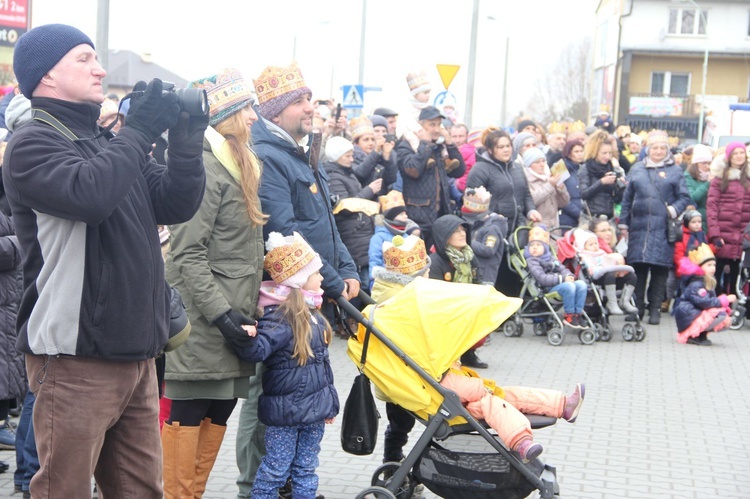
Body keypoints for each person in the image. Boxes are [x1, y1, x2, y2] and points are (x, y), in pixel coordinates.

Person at [3, 24, 207, 498]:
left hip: (136, 350)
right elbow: (92, 195)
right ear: (45, 77)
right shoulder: (31, 144)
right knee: (64, 489)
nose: (99, 69)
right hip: (75, 357)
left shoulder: (105, 141)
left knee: (140, 491)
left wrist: (186, 137)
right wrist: (137, 130)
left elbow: (175, 203)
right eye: (83, 59)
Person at [161, 68, 263, 498]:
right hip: (201, 326)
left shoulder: (235, 162)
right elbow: (186, 254)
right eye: (247, 108)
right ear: (226, 114)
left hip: (229, 327)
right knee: (186, 425)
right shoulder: (205, 165)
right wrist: (222, 315)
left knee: (217, 415)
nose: (256, 117)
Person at [218, 232, 339, 499]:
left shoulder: (314, 316)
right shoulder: (280, 319)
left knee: (306, 469)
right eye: (316, 273)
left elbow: (324, 369)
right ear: (299, 279)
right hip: (284, 416)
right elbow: (258, 350)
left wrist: (328, 405)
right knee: (275, 469)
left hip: (313, 414)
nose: (321, 278)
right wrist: (242, 334)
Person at [252, 62, 360, 305]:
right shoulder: (267, 158)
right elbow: (285, 232)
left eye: (309, 99)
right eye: (298, 102)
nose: (310, 108)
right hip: (296, 298)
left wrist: (347, 269)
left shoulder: (303, 152)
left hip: (319, 286)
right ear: (275, 114)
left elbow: (326, 222)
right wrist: (333, 282)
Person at [440, 363, 584, 462]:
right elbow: (457, 387)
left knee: (512, 394)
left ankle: (564, 406)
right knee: (495, 406)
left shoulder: (441, 362)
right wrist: (482, 387)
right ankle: (521, 443)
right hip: (459, 408)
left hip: (466, 398)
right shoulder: (435, 369)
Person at [619, 130, 692, 325]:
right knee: (638, 269)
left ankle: (655, 309)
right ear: (647, 149)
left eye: (662, 148)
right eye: (655, 147)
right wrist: (624, 223)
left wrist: (673, 210)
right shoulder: (637, 169)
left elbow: (684, 197)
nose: (658, 151)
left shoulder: (675, 170)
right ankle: (638, 308)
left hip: (663, 226)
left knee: (660, 270)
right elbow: (627, 199)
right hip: (639, 226)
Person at [466, 127, 541, 297]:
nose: (506, 150)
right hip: (492, 230)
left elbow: (526, 195)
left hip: (516, 229)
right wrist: (490, 216)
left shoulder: (517, 167)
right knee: (495, 273)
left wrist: (531, 211)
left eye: (508, 145)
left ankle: (511, 314)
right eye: (501, 147)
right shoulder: (480, 169)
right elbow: (470, 203)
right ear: (491, 150)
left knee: (514, 272)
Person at [396, 105, 465, 248]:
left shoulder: (439, 147)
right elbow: (413, 170)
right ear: (420, 126)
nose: (436, 129)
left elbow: (459, 171)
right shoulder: (406, 146)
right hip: (417, 216)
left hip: (440, 215)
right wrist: (425, 143)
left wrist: (450, 144)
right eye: (431, 124)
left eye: (439, 124)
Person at [428, 215, 487, 368]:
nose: (462, 234)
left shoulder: (469, 256)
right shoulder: (435, 261)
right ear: (444, 236)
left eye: (463, 230)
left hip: (467, 304)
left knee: (484, 319)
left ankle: (468, 353)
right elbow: (433, 296)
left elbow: (478, 282)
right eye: (456, 231)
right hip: (445, 310)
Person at [324, 136, 380, 290]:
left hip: (362, 232)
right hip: (352, 235)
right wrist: (369, 190)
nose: (351, 159)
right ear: (336, 157)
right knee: (362, 283)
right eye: (347, 156)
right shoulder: (333, 177)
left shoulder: (348, 173)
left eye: (351, 155)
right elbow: (343, 206)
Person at [706, 142, 750, 295]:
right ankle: (718, 307)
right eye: (735, 153)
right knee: (717, 274)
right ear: (729, 156)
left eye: (741, 153)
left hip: (744, 235)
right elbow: (712, 207)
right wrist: (715, 234)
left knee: (739, 276)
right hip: (723, 233)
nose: (739, 156)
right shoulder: (719, 179)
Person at [525, 226, 587, 328]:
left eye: (538, 245)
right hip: (546, 288)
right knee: (569, 287)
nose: (534, 247)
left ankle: (578, 313)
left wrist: (568, 275)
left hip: (559, 282)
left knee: (581, 284)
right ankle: (569, 315)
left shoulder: (551, 258)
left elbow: (562, 269)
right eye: (532, 245)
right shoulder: (532, 261)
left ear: (545, 247)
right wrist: (562, 279)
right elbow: (542, 278)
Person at [674, 244, 734, 345]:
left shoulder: (705, 281)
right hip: (688, 316)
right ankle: (694, 335)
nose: (713, 268)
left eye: (714, 265)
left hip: (693, 314)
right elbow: (704, 302)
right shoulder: (697, 284)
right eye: (709, 265)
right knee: (718, 314)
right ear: (699, 267)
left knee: (722, 314)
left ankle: (701, 334)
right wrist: (724, 300)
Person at [573, 229, 638, 315]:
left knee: (631, 276)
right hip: (597, 279)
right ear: (583, 246)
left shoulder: (602, 253)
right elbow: (591, 271)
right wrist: (603, 268)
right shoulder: (585, 257)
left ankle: (625, 301)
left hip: (611, 278)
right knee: (609, 275)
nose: (595, 246)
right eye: (591, 244)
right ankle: (612, 303)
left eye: (596, 243)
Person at [460, 186, 508, 286]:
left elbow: (489, 250)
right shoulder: (477, 225)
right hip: (473, 273)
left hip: (485, 277)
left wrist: (467, 241)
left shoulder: (491, 229)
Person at [578, 130, 625, 220]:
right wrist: (602, 182)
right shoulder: (586, 168)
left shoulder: (611, 167)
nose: (607, 157)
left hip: (609, 217)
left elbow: (616, 199)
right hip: (591, 217)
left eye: (610, 153)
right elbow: (584, 194)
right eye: (604, 153)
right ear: (595, 152)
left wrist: (621, 188)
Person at [349, 116, 397, 196]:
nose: (371, 143)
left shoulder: (378, 156)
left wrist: (386, 157)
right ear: (356, 143)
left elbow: (391, 179)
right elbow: (361, 173)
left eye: (373, 139)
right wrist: (376, 151)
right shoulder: (351, 157)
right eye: (366, 140)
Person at [522, 147, 570, 229]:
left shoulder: (549, 176)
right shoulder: (525, 179)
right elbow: (531, 201)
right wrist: (550, 185)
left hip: (555, 226)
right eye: (537, 162)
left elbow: (564, 203)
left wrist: (561, 189)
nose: (542, 164)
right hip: (537, 226)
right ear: (529, 164)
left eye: (543, 161)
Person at [674, 210, 713, 278]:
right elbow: (678, 254)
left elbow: (706, 249)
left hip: (700, 269)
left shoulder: (702, 235)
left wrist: (714, 247)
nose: (697, 224)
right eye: (693, 222)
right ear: (687, 223)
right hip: (685, 271)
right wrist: (687, 267)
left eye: (699, 222)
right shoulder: (681, 235)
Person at [683, 144, 713, 232]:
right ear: (696, 164)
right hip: (696, 222)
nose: (707, 166)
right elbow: (693, 197)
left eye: (709, 163)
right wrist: (708, 183)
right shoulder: (687, 176)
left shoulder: (713, 175)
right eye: (704, 163)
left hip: (710, 220)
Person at [556, 139, 585, 228]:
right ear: (568, 153)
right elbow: (559, 197)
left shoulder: (584, 168)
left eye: (581, 151)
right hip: (567, 218)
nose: (580, 154)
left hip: (584, 217)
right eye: (576, 151)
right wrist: (578, 214)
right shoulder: (560, 168)